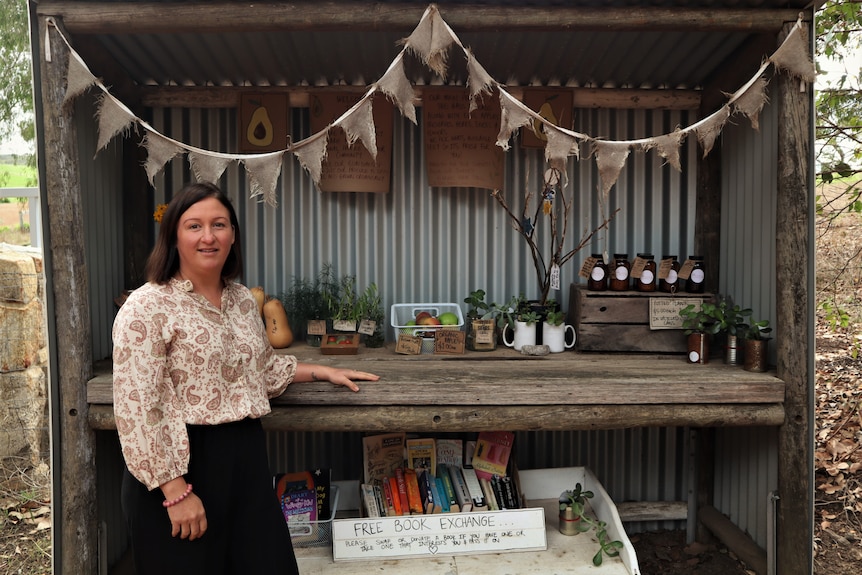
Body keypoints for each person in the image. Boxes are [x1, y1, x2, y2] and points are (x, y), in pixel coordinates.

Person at [112, 181, 379, 574]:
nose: (208, 236)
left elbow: (259, 370)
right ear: (173, 236)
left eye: (219, 224)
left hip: (245, 463)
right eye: (194, 226)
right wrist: (175, 492)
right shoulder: (148, 306)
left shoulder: (239, 300)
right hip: (181, 468)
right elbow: (136, 407)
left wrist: (321, 369)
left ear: (233, 234)